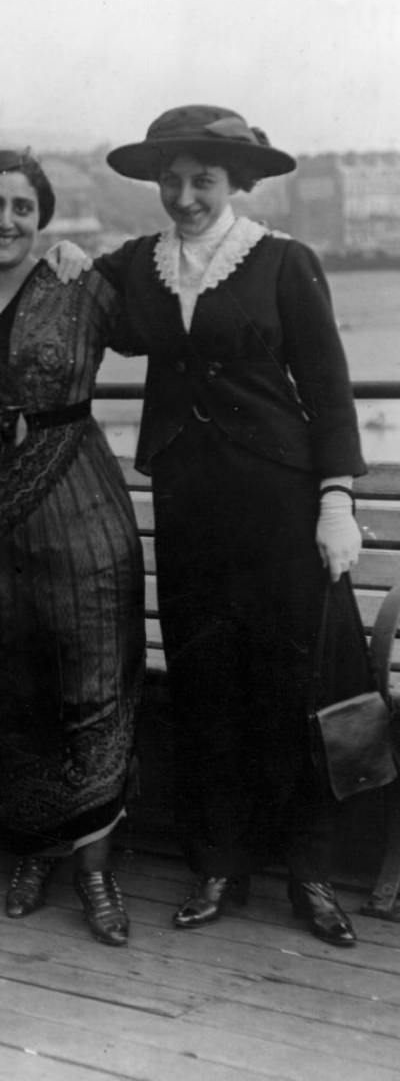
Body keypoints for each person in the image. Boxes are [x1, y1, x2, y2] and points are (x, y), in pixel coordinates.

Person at [94, 105, 368, 947]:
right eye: (170, 181)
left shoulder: (285, 261)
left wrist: (336, 499)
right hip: (189, 503)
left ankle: (312, 873)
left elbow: (327, 387)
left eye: (201, 181)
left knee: (296, 685)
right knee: (206, 679)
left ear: (237, 185)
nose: (183, 196)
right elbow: (55, 289)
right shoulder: (139, 267)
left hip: (280, 502)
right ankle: (220, 862)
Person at [0, 117, 145, 947]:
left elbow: (183, 317)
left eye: (22, 206)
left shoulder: (87, 285)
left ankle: (94, 869)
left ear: (44, 216)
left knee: (92, 682)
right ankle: (33, 847)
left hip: (79, 504)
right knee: (13, 688)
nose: (7, 220)